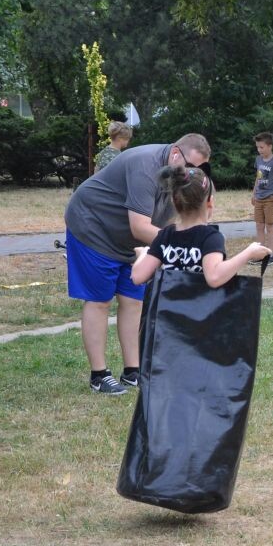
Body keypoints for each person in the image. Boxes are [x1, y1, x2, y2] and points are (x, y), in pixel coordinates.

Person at [64, 132, 211, 395]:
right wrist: (185, 244)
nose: (192, 174)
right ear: (176, 154)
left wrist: (186, 237)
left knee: (133, 300)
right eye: (190, 166)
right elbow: (140, 226)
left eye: (199, 169)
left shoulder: (178, 175)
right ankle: (99, 375)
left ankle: (133, 370)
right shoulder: (145, 166)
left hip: (127, 241)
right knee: (100, 300)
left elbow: (168, 222)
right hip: (93, 226)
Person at [132, 166, 271, 287]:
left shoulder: (165, 235)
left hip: (167, 315)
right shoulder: (210, 237)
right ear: (210, 202)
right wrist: (248, 253)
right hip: (201, 315)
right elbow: (214, 277)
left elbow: (137, 277)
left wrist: (144, 254)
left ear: (174, 201)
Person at [250, 131, 273, 253]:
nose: (259, 150)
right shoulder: (258, 160)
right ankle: (260, 253)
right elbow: (258, 177)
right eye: (257, 147)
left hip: (271, 199)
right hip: (259, 198)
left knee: (269, 226)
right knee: (259, 226)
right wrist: (254, 193)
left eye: (262, 147)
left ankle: (270, 253)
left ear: (270, 146)